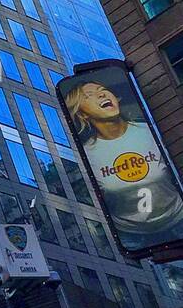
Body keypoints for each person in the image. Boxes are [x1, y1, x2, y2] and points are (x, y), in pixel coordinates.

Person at [64, 80, 183, 249]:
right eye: (89, 96)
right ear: (83, 114)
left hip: (178, 219)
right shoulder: (87, 155)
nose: (102, 94)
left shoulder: (149, 132)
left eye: (103, 89)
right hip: (131, 237)